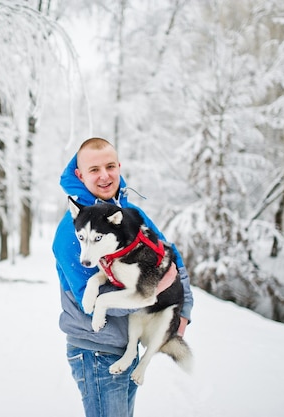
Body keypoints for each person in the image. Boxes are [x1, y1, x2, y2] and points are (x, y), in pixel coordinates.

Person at [52, 137, 194, 417]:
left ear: (119, 166)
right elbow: (88, 301)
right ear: (79, 175)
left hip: (125, 349)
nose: (104, 175)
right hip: (96, 352)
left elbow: (170, 256)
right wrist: (152, 290)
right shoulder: (73, 230)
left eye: (110, 166)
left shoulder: (131, 214)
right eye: (94, 170)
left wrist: (184, 312)